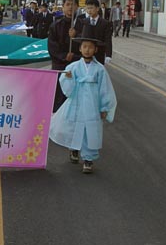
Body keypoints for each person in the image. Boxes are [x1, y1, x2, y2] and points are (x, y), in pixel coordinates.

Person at [49, 26, 117, 174]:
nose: (87, 50)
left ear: (95, 50)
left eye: (90, 47)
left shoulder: (99, 69)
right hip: (76, 102)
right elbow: (68, 90)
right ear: (80, 49)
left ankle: (88, 159)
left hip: (92, 105)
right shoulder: (72, 67)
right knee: (73, 127)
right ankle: (73, 149)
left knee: (90, 130)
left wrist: (104, 107)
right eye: (84, 47)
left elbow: (104, 89)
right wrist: (68, 79)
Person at [48, 0, 82, 112]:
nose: (70, 7)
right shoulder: (56, 25)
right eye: (67, 4)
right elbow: (52, 46)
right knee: (59, 96)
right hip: (60, 65)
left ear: (77, 6)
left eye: (73, 4)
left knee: (76, 96)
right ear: (63, 7)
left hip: (77, 65)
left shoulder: (83, 25)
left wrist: (76, 36)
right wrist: (63, 56)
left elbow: (87, 45)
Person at [79, 0, 112, 65]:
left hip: (99, 54)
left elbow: (108, 39)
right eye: (87, 8)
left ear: (97, 8)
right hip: (86, 55)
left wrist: (108, 55)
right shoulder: (84, 21)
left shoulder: (105, 23)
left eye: (91, 8)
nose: (89, 10)